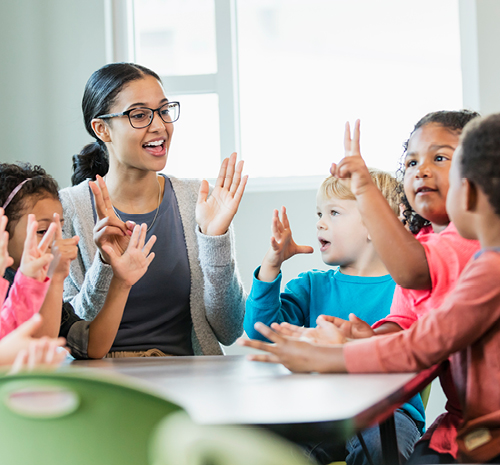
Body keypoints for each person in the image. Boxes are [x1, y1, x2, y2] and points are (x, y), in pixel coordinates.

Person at [239, 112, 500, 464]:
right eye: (410, 162)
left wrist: (331, 355)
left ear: (465, 192)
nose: (421, 171)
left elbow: (422, 343)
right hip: (454, 425)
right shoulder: (317, 282)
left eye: (442, 161)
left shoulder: (475, 263)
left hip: (469, 430)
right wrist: (364, 338)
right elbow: (407, 327)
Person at [62, 62, 247, 357]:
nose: (159, 125)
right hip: (107, 385)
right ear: (102, 129)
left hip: (191, 381)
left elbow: (229, 330)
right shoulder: (68, 210)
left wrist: (216, 241)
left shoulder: (195, 200)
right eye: (139, 115)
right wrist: (106, 266)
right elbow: (70, 337)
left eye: (163, 110)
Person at [244, 170, 424, 465]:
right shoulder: (310, 285)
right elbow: (262, 333)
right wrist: (271, 265)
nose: (320, 222)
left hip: (388, 412)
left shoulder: (406, 290)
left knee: (383, 449)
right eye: (319, 213)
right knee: (269, 448)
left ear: (373, 225)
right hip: (317, 408)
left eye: (334, 212)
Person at [1, 163, 157, 359]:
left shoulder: (43, 281)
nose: (56, 241)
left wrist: (122, 282)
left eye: (60, 229)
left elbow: (91, 346)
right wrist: (55, 279)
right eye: (42, 231)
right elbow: (34, 353)